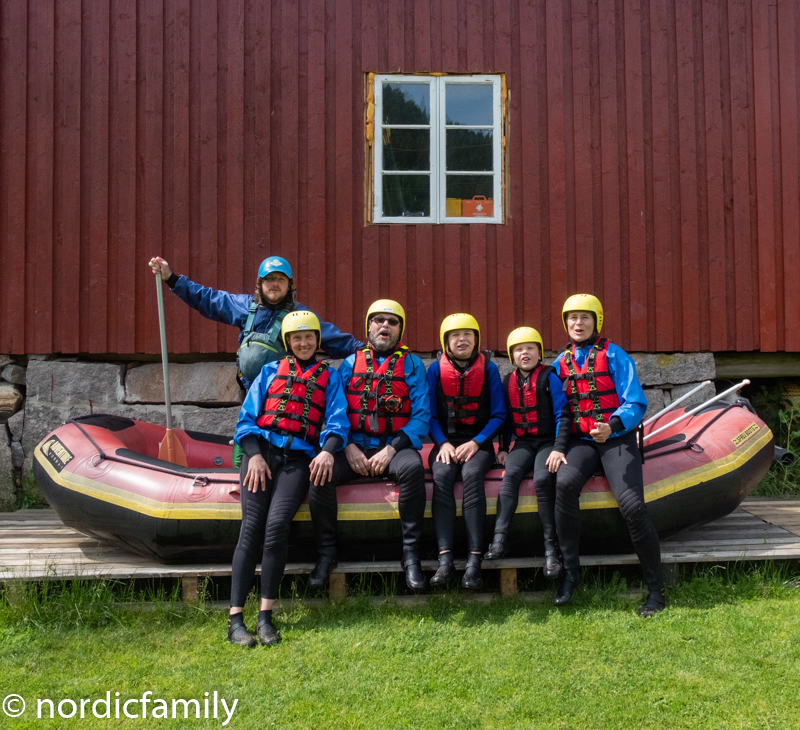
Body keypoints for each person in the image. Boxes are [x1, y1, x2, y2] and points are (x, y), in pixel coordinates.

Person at [227, 310, 349, 646]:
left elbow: (338, 422)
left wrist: (327, 450)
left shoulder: (330, 377)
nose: (304, 342)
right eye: (297, 338)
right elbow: (246, 421)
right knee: (251, 529)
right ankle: (235, 620)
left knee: (277, 526)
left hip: (297, 460)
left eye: (309, 337)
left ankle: (265, 617)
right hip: (262, 455)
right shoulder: (269, 372)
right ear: (287, 342)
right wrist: (252, 456)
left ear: (317, 341)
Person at [551, 294, 665, 616]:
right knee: (564, 485)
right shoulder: (560, 364)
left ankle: (656, 590)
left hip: (616, 437)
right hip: (583, 441)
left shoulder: (615, 355)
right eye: (572, 318)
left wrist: (612, 424)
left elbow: (636, 402)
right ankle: (570, 576)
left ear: (596, 321)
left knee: (632, 506)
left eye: (584, 317)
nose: (578, 323)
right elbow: (559, 411)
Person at [307, 300, 431, 591]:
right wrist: (347, 446)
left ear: (400, 330)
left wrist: (392, 450)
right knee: (319, 475)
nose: (384, 326)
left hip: (394, 449)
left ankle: (410, 554)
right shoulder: (349, 364)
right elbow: (335, 412)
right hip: (354, 447)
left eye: (392, 321)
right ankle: (327, 553)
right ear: (369, 327)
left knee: (413, 469)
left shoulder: (413, 365)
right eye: (378, 320)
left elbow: (421, 417)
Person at [148, 255, 363, 391]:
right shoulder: (244, 306)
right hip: (249, 391)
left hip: (286, 394)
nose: (275, 284)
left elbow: (337, 340)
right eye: (269, 279)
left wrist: (369, 351)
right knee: (247, 450)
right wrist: (171, 278)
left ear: (290, 285)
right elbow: (208, 299)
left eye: (281, 279)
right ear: (260, 284)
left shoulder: (301, 316)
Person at [426, 314, 505, 590]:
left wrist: (476, 442)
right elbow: (431, 416)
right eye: (455, 335)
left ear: (476, 340)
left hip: (478, 443)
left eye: (468, 335)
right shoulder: (435, 371)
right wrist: (443, 443)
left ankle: (474, 562)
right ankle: (445, 561)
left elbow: (498, 415)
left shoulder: (490, 370)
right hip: (445, 442)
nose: (462, 340)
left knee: (472, 475)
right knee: (442, 477)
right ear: (446, 342)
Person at [484, 327, 569, 581]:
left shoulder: (549, 378)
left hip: (547, 442)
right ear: (512, 356)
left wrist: (558, 448)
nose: (525, 353)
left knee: (543, 480)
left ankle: (551, 551)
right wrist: (502, 448)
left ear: (539, 352)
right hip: (523, 443)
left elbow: (562, 415)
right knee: (509, 477)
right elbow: (505, 419)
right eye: (519, 349)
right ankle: (499, 540)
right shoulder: (507, 381)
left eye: (530, 348)